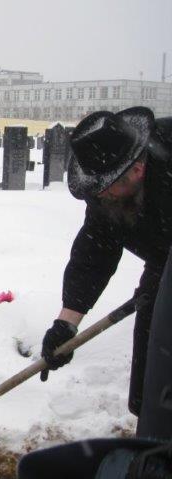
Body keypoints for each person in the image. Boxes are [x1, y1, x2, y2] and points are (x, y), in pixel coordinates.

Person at [39, 106, 172, 423]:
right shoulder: (106, 195)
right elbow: (94, 253)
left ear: (137, 170)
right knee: (151, 377)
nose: (100, 195)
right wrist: (66, 324)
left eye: (106, 187)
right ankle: (150, 443)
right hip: (162, 267)